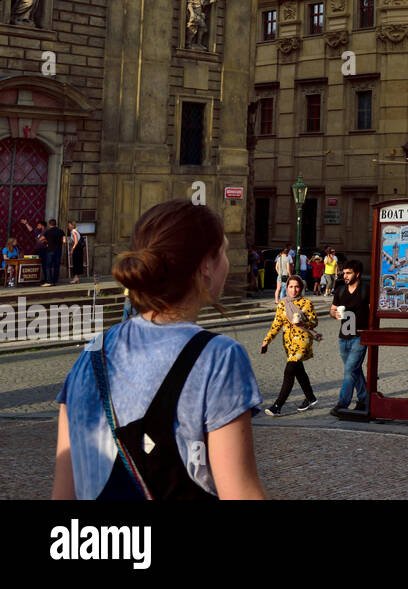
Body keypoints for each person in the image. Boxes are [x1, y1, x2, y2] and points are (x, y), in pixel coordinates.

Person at [52, 200, 264, 499]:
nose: (228, 263)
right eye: (224, 252)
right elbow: (240, 492)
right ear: (206, 265)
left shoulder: (90, 355)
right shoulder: (219, 357)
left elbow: (63, 494)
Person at [260, 275, 319, 415]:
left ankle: (277, 406)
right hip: (289, 342)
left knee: (289, 371)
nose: (294, 290)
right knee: (298, 370)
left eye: (297, 287)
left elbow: (314, 322)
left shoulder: (307, 303)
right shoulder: (282, 303)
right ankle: (311, 398)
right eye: (291, 287)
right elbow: (277, 324)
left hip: (303, 340)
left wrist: (303, 322)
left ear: (301, 288)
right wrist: (267, 340)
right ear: (287, 288)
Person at [330, 259, 369, 418]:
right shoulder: (340, 290)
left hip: (359, 337)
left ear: (357, 274)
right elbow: (332, 310)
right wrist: (335, 314)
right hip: (343, 337)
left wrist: (369, 330)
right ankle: (364, 399)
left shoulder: (366, 290)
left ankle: (342, 404)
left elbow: (373, 312)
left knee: (349, 370)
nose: (344, 276)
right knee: (354, 370)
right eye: (344, 273)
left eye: (348, 273)